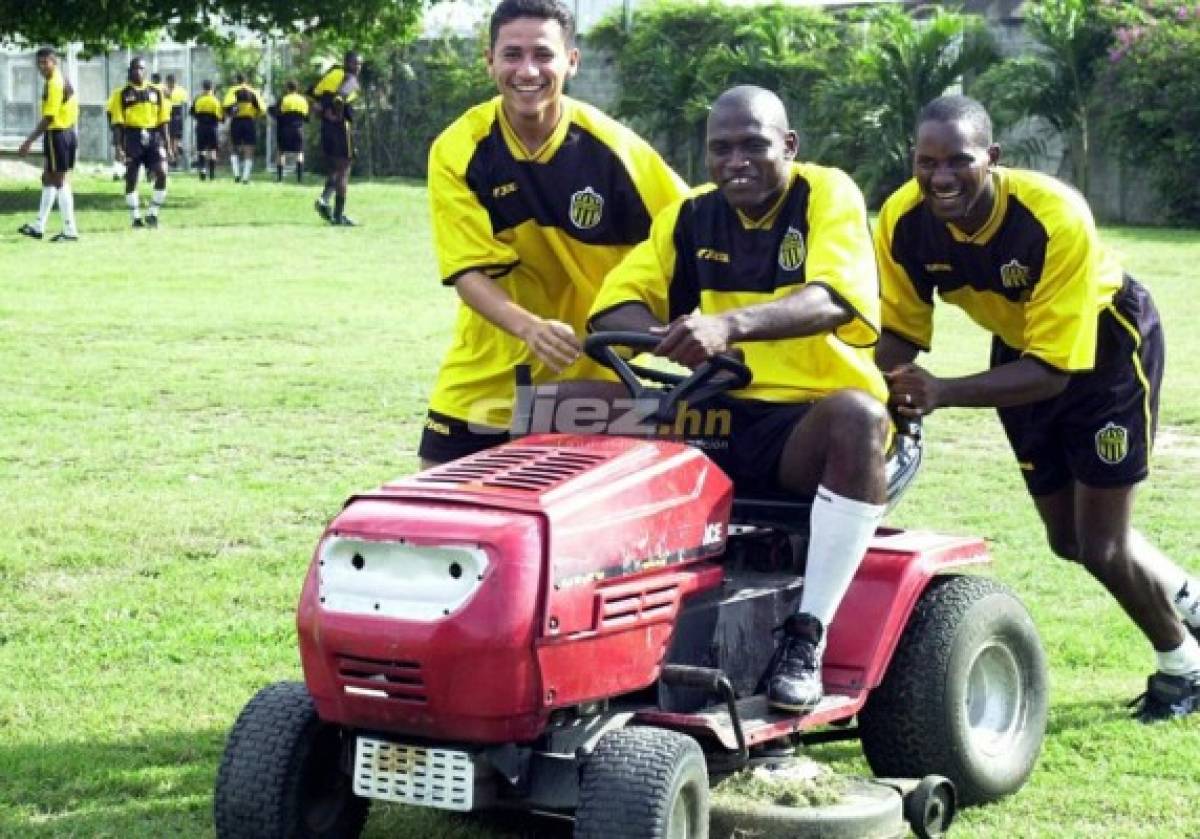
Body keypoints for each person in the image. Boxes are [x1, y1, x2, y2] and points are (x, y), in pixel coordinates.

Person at [874, 94, 1200, 722]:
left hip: (1106, 351)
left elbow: (1053, 373)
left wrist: (940, 392)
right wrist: (851, 376)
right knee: (1068, 541)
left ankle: (1182, 667)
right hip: (1021, 352)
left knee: (1103, 545)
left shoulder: (1052, 215)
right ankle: (1187, 597)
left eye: (959, 161)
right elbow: (901, 333)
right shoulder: (901, 219)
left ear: (991, 159)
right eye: (926, 161)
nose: (941, 178)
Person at [585, 85, 889, 713]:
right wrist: (661, 337)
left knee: (858, 417)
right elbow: (614, 304)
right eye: (720, 149)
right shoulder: (689, 216)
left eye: (754, 145)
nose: (736, 161)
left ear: (790, 145)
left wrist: (728, 326)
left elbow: (834, 299)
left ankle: (807, 634)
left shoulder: (826, 195)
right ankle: (597, 616)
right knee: (567, 400)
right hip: (710, 411)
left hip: (802, 422)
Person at [418, 0, 686, 466]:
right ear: (490, 62)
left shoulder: (614, 150)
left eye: (543, 55)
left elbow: (694, 228)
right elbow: (467, 274)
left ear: (571, 62)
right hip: (487, 371)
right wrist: (531, 329)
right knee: (441, 510)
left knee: (578, 526)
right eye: (512, 54)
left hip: (596, 378)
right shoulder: (459, 149)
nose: (527, 70)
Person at [17, 47, 79, 242]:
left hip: (58, 134)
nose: (42, 66)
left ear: (55, 62)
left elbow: (49, 118)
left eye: (46, 62)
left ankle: (70, 230)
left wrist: (28, 141)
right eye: (40, 63)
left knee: (60, 181)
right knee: (47, 177)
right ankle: (39, 225)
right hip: (66, 132)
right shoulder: (61, 78)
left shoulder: (54, 83)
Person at [106, 57, 171, 229]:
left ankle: (152, 214)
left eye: (141, 68)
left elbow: (164, 121)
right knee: (132, 178)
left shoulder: (156, 92)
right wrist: (119, 147)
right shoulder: (120, 93)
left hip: (153, 136)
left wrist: (168, 146)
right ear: (129, 71)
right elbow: (117, 124)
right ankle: (135, 218)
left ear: (146, 71)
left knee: (162, 172)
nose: (138, 71)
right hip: (132, 136)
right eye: (134, 68)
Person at [308, 52, 362, 224]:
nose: (358, 68)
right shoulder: (350, 79)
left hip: (326, 129)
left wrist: (323, 113)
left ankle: (324, 200)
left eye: (359, 64)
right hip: (341, 129)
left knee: (335, 168)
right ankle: (338, 215)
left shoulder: (331, 74)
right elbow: (340, 98)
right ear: (347, 63)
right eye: (356, 64)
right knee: (345, 169)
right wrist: (337, 114)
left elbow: (312, 96)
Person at [223, 73, 266, 183]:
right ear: (246, 81)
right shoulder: (253, 91)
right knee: (249, 148)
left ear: (237, 80)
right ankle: (245, 177)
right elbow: (262, 109)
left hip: (236, 122)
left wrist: (232, 113)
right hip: (249, 121)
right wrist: (254, 114)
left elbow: (226, 106)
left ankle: (237, 175)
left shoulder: (232, 90)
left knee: (233, 147)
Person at [272, 80, 309, 183]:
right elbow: (306, 117)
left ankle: (279, 178)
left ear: (287, 88)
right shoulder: (303, 100)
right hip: (298, 129)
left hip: (285, 129)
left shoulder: (283, 99)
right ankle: (300, 179)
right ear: (297, 88)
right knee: (300, 152)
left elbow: (276, 113)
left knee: (281, 152)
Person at [191, 79, 223, 181]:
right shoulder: (215, 100)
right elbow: (220, 117)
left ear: (203, 87)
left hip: (201, 126)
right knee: (213, 150)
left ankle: (203, 170)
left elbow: (192, 112)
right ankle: (212, 174)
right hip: (213, 127)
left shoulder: (198, 99)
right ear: (212, 87)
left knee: (201, 150)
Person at [164, 73, 189, 165]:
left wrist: (184, 116)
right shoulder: (164, 90)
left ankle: (174, 158)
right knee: (172, 139)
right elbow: (185, 105)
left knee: (173, 138)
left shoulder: (166, 90)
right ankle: (174, 157)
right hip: (171, 115)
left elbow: (185, 105)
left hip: (175, 114)